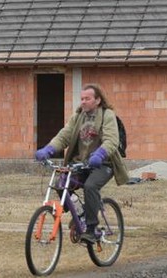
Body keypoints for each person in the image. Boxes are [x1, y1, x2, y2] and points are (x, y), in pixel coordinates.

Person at [34, 83, 129, 243]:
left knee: (90, 186)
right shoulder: (78, 117)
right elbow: (64, 136)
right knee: (61, 183)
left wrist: (100, 154)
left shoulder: (107, 115)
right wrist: (48, 149)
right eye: (82, 99)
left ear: (98, 100)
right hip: (80, 164)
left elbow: (112, 139)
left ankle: (91, 229)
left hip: (103, 164)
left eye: (87, 98)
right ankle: (81, 215)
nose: (83, 101)